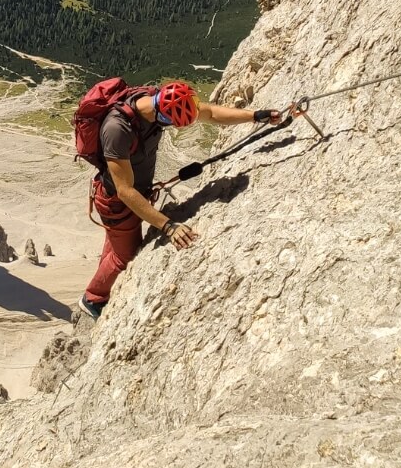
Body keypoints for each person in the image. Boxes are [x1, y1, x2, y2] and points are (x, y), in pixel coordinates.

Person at [79, 81, 282, 320]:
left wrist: (255, 116)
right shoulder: (117, 129)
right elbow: (125, 191)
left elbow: (211, 113)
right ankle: (93, 299)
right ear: (162, 113)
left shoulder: (156, 99)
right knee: (124, 256)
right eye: (170, 123)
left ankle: (103, 280)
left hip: (132, 194)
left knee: (116, 243)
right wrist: (168, 226)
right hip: (117, 202)